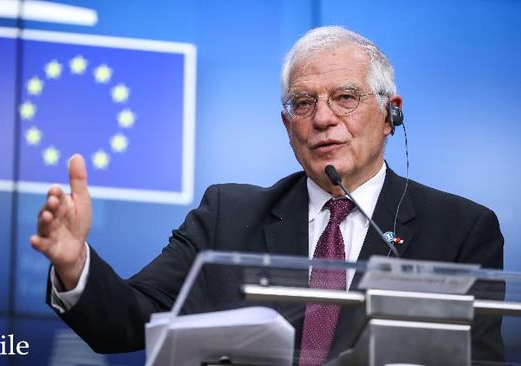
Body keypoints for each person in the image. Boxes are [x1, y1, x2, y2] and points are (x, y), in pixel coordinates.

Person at [31, 26, 504, 365]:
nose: (322, 118)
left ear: (389, 114)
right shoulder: (226, 215)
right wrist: (75, 263)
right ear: (287, 126)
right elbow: (128, 323)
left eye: (344, 97)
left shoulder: (462, 230)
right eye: (303, 103)